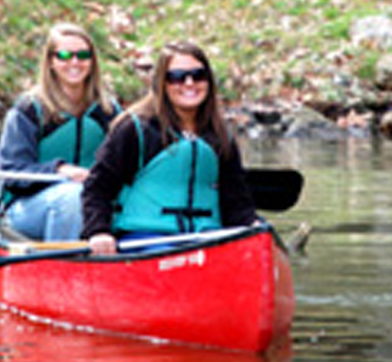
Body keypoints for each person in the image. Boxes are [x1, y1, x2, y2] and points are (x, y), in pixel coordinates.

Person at [82, 41, 260, 256]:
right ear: (161, 83)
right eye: (177, 77)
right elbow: (98, 186)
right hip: (145, 238)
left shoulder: (220, 136)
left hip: (206, 237)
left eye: (198, 75)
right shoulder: (135, 129)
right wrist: (98, 231)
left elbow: (236, 200)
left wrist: (252, 225)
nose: (189, 83)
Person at [0, 23, 120, 241]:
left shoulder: (108, 111)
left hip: (93, 205)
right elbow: (13, 172)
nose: (75, 62)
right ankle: (65, 259)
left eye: (83, 55)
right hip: (29, 207)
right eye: (64, 55)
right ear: (51, 61)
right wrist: (60, 170)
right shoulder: (29, 110)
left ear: (92, 61)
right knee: (71, 197)